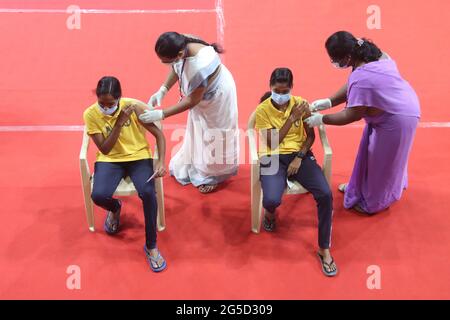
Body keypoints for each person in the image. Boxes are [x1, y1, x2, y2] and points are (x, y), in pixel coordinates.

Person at [306, 31, 420, 214]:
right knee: (369, 155)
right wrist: (329, 101)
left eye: (336, 59)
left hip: (398, 118)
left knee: (381, 163)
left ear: (348, 57)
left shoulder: (363, 78)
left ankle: (375, 202)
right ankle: (357, 187)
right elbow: (353, 82)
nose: (335, 63)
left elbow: (351, 115)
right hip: (396, 103)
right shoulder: (373, 55)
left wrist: (322, 118)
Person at [255, 68, 337, 277]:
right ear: (270, 87)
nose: (281, 95)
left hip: (299, 155)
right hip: (271, 156)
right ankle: (270, 214)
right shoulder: (263, 110)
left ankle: (324, 248)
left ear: (291, 88)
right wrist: (291, 119)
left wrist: (300, 157)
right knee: (272, 199)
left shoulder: (301, 104)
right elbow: (272, 142)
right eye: (277, 90)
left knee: (326, 195)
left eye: (285, 90)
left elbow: (310, 137)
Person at [83, 76, 167, 272]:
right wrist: (119, 123)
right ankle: (115, 208)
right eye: (101, 103)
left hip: (138, 157)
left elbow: (159, 135)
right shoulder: (90, 114)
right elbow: (105, 148)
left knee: (147, 192)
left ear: (120, 98)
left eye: (111, 104)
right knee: (98, 195)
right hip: (110, 159)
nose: (105, 107)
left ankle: (151, 246)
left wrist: (161, 161)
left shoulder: (134, 107)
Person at [139, 32, 239, 194]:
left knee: (214, 136)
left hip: (217, 98)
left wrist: (161, 114)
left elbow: (192, 100)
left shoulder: (199, 67)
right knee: (200, 130)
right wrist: (163, 90)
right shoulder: (182, 43)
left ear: (179, 54)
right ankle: (198, 162)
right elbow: (176, 66)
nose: (164, 63)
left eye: (166, 60)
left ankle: (213, 174)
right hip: (203, 92)